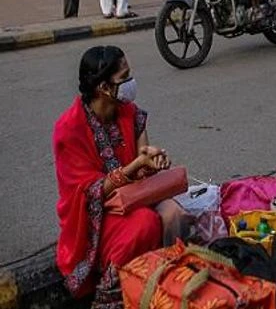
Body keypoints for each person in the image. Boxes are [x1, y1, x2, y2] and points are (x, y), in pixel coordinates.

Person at [54, 46, 190, 306]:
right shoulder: (69, 129)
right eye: (125, 77)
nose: (131, 82)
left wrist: (153, 162)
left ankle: (163, 284)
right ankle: (112, 295)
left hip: (135, 195)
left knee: (176, 214)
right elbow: (89, 192)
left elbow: (143, 161)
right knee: (145, 223)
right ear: (104, 87)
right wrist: (132, 169)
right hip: (95, 213)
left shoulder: (129, 110)